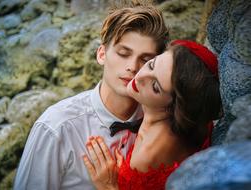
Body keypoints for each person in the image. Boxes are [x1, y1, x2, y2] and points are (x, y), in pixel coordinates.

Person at [13, 1, 169, 189]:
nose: (133, 66)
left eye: (145, 60)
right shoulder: (55, 127)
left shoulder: (165, 123)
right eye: (123, 53)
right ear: (102, 54)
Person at [82, 40, 222, 190]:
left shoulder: (148, 154)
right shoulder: (185, 119)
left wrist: (108, 186)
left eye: (155, 86)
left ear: (173, 107)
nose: (140, 76)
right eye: (151, 65)